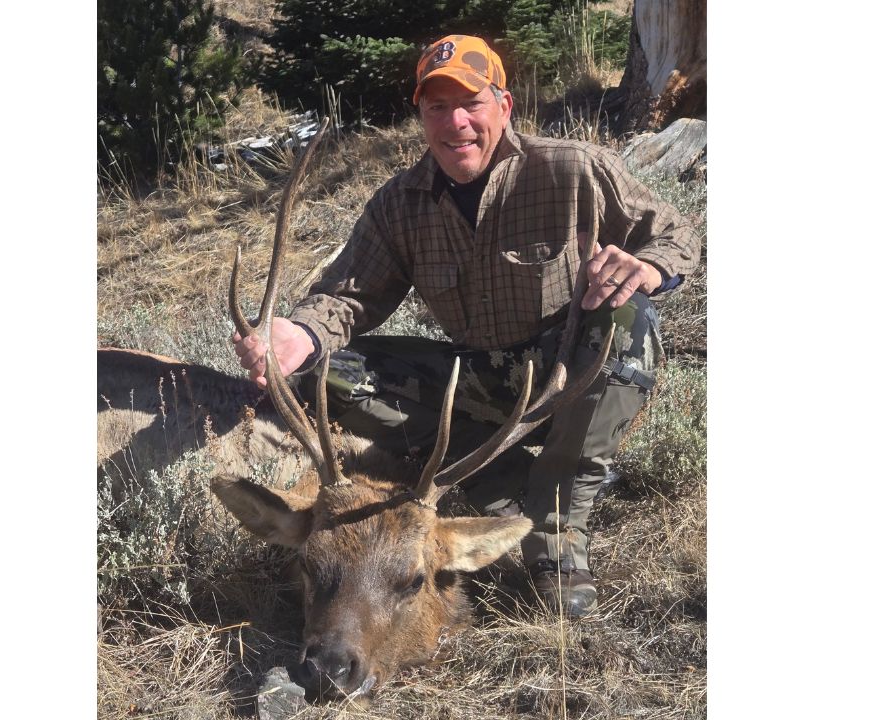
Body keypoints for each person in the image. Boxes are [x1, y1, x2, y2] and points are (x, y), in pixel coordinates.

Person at [234, 34, 700, 617]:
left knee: (627, 318)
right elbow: (347, 296)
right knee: (324, 374)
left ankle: (556, 532)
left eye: (471, 103)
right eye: (437, 106)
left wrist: (648, 267)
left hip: (566, 370)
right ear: (421, 116)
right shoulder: (400, 204)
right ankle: (501, 481)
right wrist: (300, 335)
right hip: (479, 377)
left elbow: (677, 234)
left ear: (504, 106)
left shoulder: (573, 168)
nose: (455, 122)